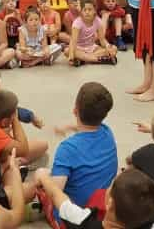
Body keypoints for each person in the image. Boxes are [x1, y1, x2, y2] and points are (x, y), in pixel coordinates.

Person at [51, 82, 118, 212]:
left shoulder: (67, 149)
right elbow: (88, 128)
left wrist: (42, 177)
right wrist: (69, 127)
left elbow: (55, 193)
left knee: (43, 182)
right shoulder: (107, 132)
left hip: (76, 217)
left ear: (75, 110)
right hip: (101, 205)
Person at [35, 168, 154, 229]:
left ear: (110, 203)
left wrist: (43, 176)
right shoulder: (152, 226)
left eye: (110, 185)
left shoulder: (83, 221)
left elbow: (57, 196)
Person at [65, 0, 117, 67]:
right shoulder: (77, 23)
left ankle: (83, 59)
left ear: (94, 11)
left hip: (92, 48)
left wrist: (108, 46)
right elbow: (73, 41)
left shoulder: (98, 21)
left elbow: (102, 39)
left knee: (114, 49)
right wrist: (71, 56)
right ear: (81, 11)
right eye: (85, 10)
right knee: (67, 51)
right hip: (79, 48)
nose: (87, 12)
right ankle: (98, 60)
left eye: (90, 10)